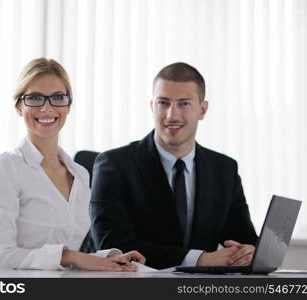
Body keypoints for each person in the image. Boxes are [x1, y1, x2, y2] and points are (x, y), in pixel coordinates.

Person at [90, 62, 258, 269]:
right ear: (152, 106)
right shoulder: (114, 166)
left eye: (184, 104)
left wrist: (249, 253)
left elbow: (244, 239)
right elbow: (113, 247)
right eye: (164, 103)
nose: (172, 115)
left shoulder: (224, 169)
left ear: (202, 110)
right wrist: (200, 259)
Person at [0, 57, 145, 270]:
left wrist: (106, 259)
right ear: (19, 106)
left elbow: (65, 258)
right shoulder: (6, 167)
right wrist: (70, 257)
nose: (47, 108)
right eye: (35, 98)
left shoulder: (79, 174)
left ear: (68, 106)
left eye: (58, 98)